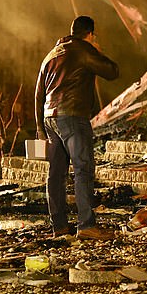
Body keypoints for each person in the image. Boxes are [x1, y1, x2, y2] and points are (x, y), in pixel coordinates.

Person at [35, 15, 119, 240]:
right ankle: (86, 225)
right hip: (72, 117)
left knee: (55, 174)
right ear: (90, 33)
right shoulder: (82, 48)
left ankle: (59, 226)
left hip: (50, 118)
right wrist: (96, 51)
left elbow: (38, 94)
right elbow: (112, 71)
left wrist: (40, 128)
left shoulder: (52, 53)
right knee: (83, 170)